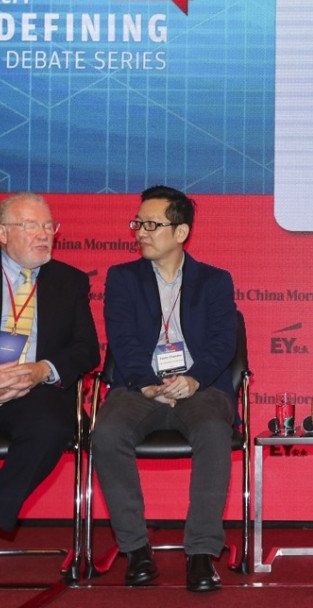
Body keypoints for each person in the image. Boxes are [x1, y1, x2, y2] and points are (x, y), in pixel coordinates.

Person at [92, 186, 238, 592]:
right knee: (106, 432)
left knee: (213, 430)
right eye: (138, 223)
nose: (141, 231)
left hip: (200, 387)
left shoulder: (214, 280)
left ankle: (202, 554)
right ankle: (136, 550)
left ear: (181, 232)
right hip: (140, 387)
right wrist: (147, 383)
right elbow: (120, 338)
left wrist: (194, 379)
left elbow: (223, 342)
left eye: (152, 224)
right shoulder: (122, 278)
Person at [0, 193, 100, 533]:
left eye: (48, 226)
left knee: (51, 426)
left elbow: (87, 349)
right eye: (31, 226)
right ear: (3, 234)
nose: (44, 235)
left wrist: (41, 369)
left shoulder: (68, 281)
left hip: (34, 391)